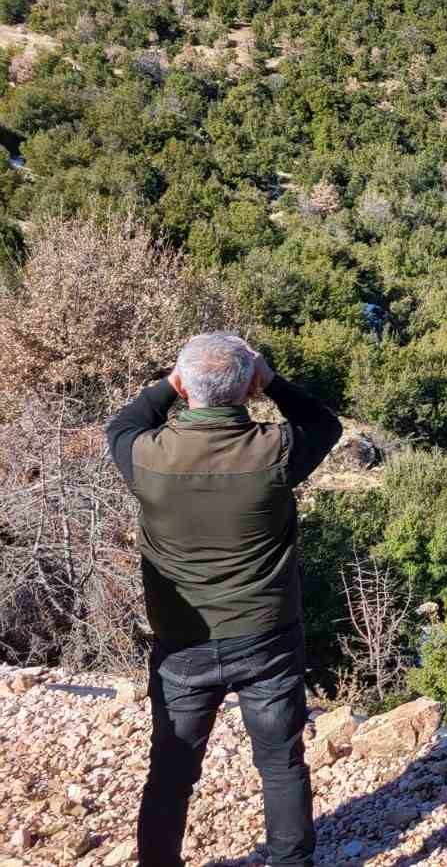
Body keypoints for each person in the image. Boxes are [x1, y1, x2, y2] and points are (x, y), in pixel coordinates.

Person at [106, 333, 342, 867]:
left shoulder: (147, 457)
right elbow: (325, 425)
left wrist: (170, 383)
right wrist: (273, 380)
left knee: (170, 771)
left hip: (183, 646)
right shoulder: (275, 450)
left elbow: (121, 424)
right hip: (266, 639)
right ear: (249, 389)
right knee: (281, 763)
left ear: (185, 387)